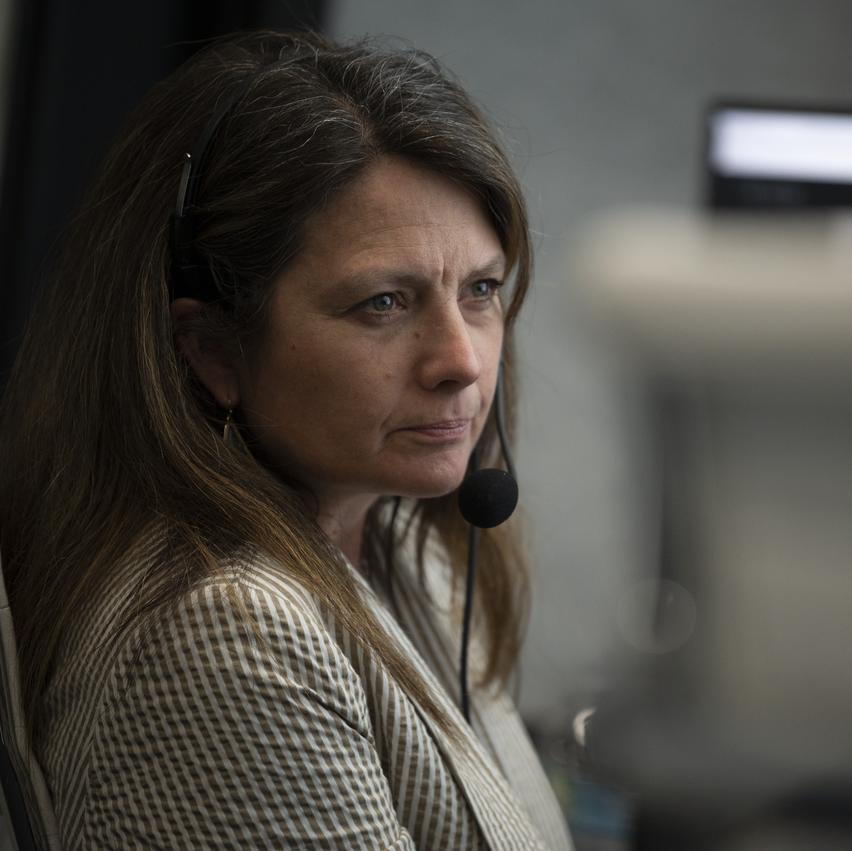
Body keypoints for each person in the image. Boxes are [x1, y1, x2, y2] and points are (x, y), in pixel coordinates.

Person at [0, 30, 572, 850]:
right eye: (383, 302)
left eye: (480, 289)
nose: (462, 361)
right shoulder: (223, 635)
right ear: (214, 351)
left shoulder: (413, 552)